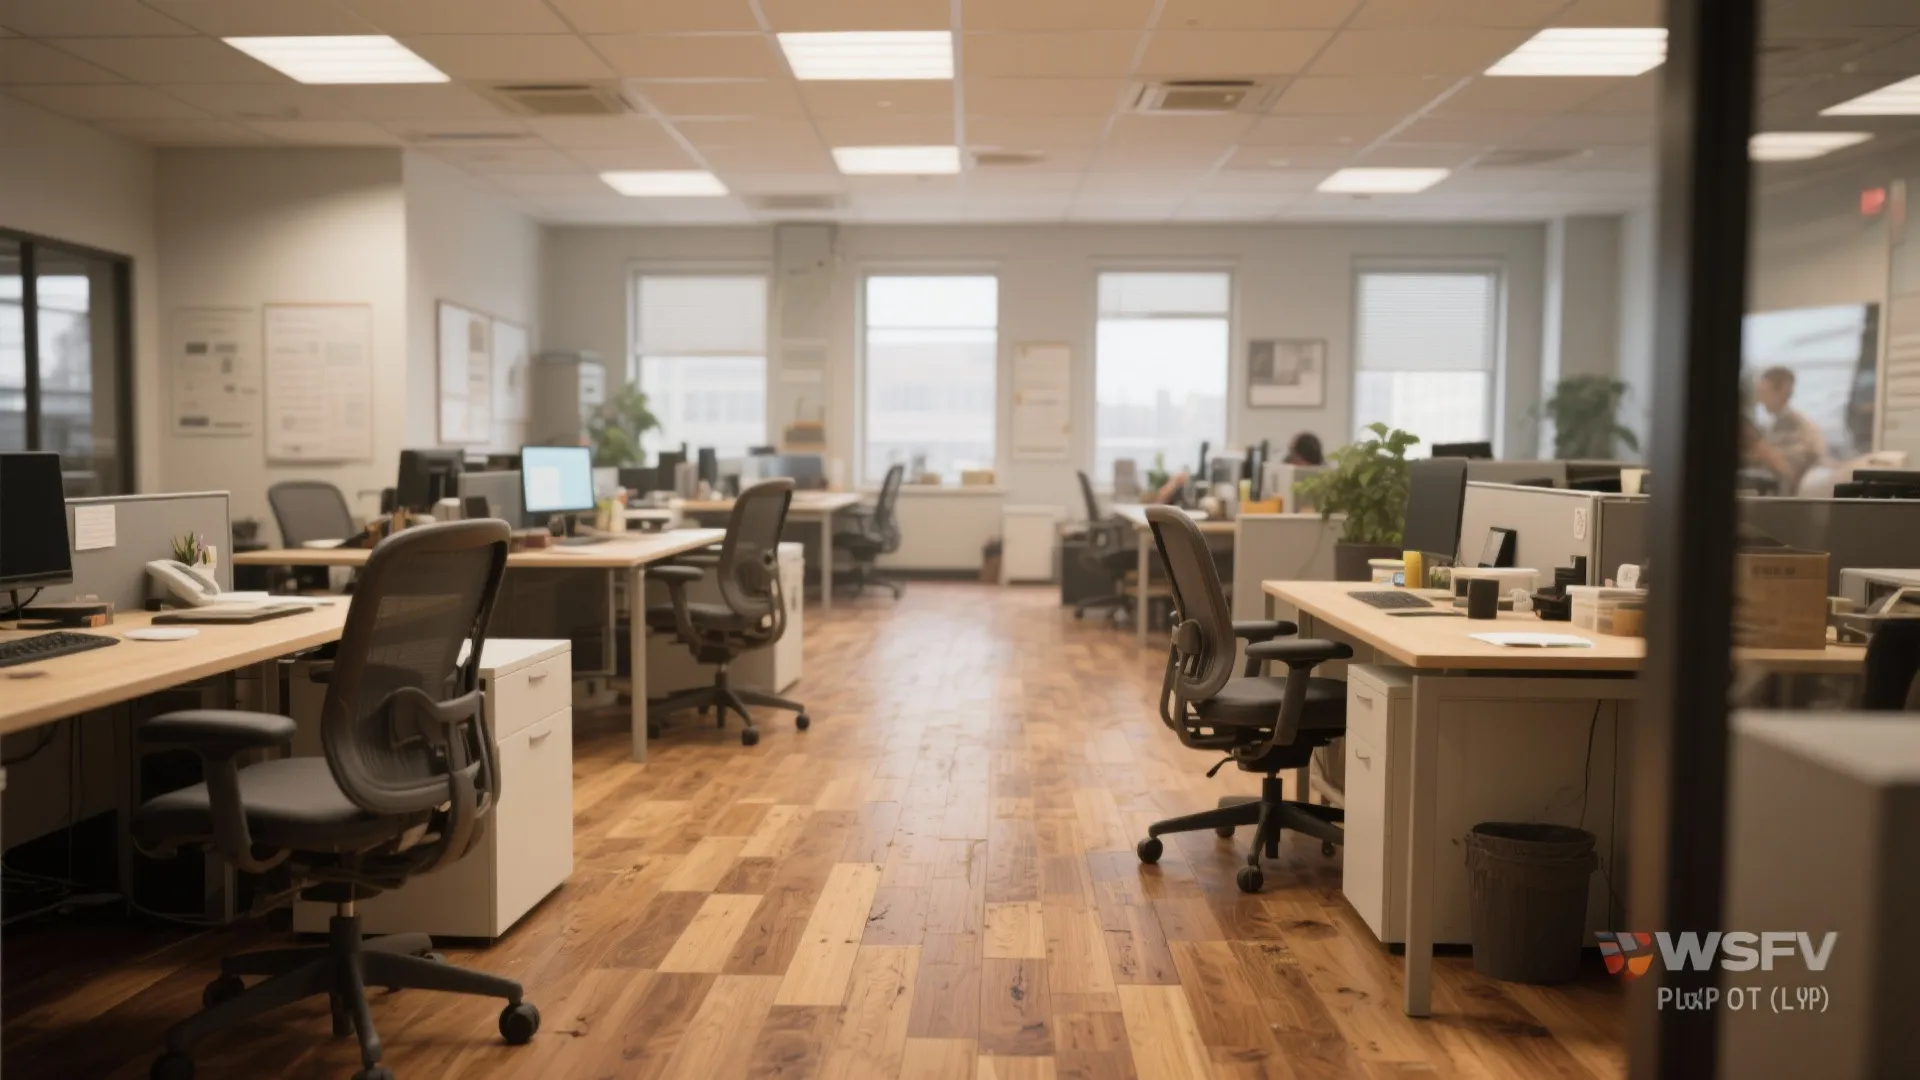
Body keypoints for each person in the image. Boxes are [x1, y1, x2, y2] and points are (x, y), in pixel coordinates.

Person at [1754, 366, 1825, 491]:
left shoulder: (1796, 426)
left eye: (1765, 392)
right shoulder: (1775, 423)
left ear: (1783, 391)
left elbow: (1788, 469)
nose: (1761, 399)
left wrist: (1763, 454)